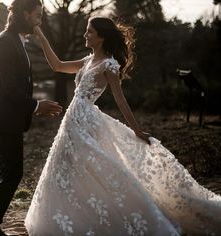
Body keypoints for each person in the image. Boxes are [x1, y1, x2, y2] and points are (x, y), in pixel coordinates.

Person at [25, 17, 221, 235]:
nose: (85, 35)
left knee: (96, 169)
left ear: (101, 37)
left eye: (89, 32)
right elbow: (57, 65)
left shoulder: (109, 65)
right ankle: (68, 216)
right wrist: (40, 36)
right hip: (72, 121)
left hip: (86, 123)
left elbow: (120, 100)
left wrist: (136, 129)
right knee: (66, 167)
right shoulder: (87, 61)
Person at [0, 0, 62, 235]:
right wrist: (36, 105)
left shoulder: (16, 39)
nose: (39, 21)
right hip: (6, 118)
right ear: (24, 14)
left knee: (7, 170)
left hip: (11, 117)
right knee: (12, 172)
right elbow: (9, 87)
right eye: (37, 16)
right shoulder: (4, 42)